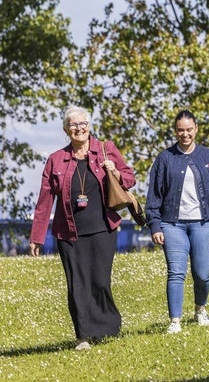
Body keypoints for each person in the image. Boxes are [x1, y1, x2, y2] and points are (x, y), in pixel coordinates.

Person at [30, 106, 136, 351]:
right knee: (77, 283)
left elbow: (130, 178)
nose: (79, 128)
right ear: (66, 130)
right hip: (69, 232)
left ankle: (108, 327)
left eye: (83, 124)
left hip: (103, 228)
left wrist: (116, 172)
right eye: (73, 125)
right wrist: (36, 237)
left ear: (89, 126)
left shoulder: (105, 149)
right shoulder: (56, 159)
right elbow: (45, 201)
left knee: (100, 280)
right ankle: (83, 336)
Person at [146, 110, 209, 333]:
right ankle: (175, 320)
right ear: (175, 131)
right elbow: (154, 195)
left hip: (203, 223)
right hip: (172, 224)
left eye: (189, 130)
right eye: (181, 130)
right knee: (176, 272)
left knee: (202, 274)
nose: (185, 134)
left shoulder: (208, 157)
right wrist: (155, 224)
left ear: (196, 129)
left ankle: (200, 308)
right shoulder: (165, 158)